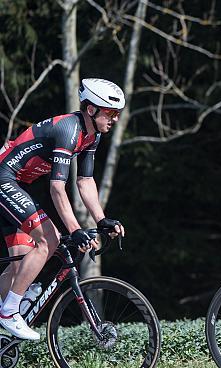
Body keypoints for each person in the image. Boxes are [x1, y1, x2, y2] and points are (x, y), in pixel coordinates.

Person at [0, 78, 126, 340]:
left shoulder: (93, 135)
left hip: (16, 183)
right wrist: (76, 229)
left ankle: (6, 312)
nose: (114, 119)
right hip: (5, 179)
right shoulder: (68, 129)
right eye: (111, 113)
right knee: (49, 239)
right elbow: (57, 188)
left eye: (117, 114)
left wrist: (101, 219)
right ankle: (9, 313)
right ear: (91, 109)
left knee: (21, 265)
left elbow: (85, 181)